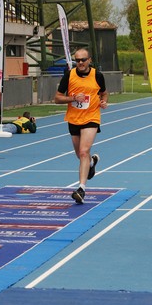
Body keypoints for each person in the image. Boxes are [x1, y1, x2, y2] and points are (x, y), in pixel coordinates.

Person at [54, 47, 108, 204]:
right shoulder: (69, 75)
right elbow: (57, 98)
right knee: (80, 154)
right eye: (77, 60)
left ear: (89, 60)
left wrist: (104, 101)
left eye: (83, 60)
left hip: (91, 117)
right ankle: (91, 163)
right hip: (73, 119)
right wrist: (72, 98)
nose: (80, 63)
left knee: (84, 152)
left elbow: (104, 92)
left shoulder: (97, 75)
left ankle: (81, 189)